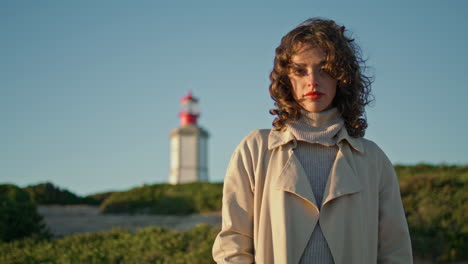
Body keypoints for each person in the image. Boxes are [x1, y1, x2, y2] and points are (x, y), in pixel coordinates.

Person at [212, 18, 412, 264]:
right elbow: (233, 243)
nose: (313, 81)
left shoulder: (373, 159)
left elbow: (395, 252)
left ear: (342, 76)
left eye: (325, 69)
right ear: (286, 78)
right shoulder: (254, 149)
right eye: (300, 70)